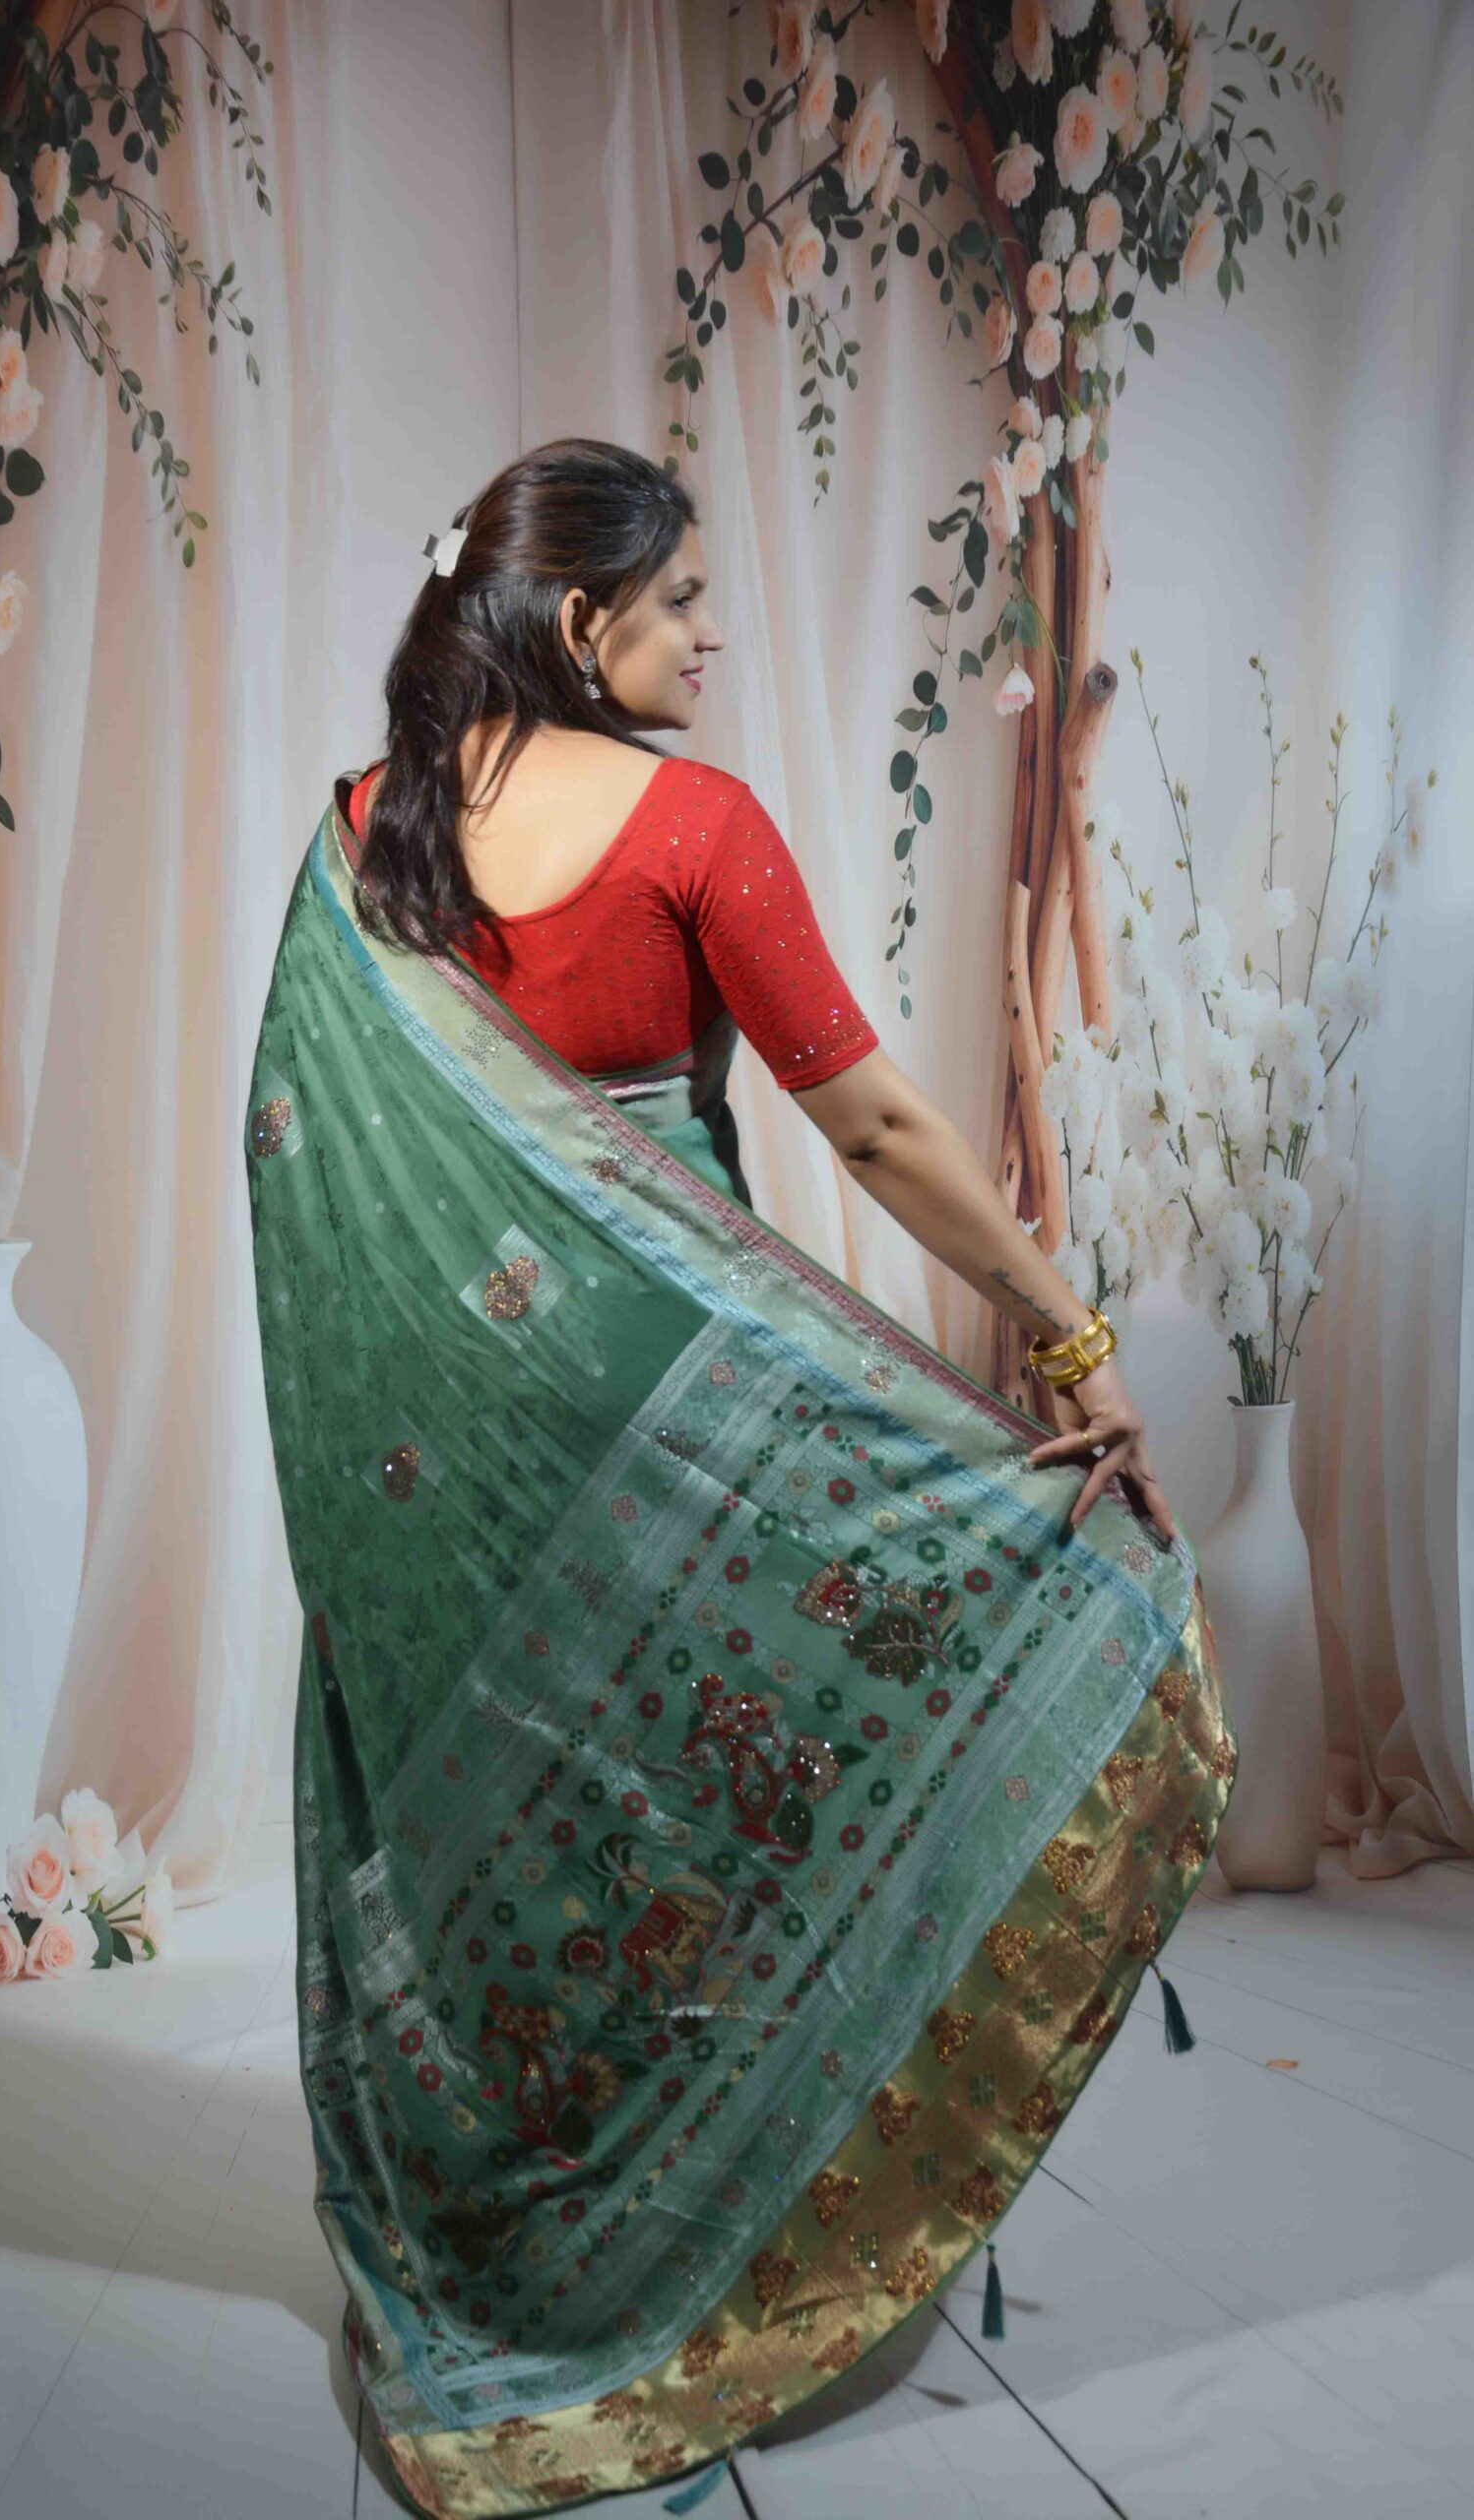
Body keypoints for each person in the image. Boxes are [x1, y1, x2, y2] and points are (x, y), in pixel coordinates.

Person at [245, 438, 1235, 2520]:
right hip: (675, 1403)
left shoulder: (357, 830)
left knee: (548, 1818)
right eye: (680, 597)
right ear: (580, 618)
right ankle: (714, 2228)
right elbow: (868, 1124)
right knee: (708, 1794)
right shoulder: (693, 826)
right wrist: (1069, 1344)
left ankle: (538, 2224)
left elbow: (306, 1178)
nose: (709, 632)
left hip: (467, 1441)